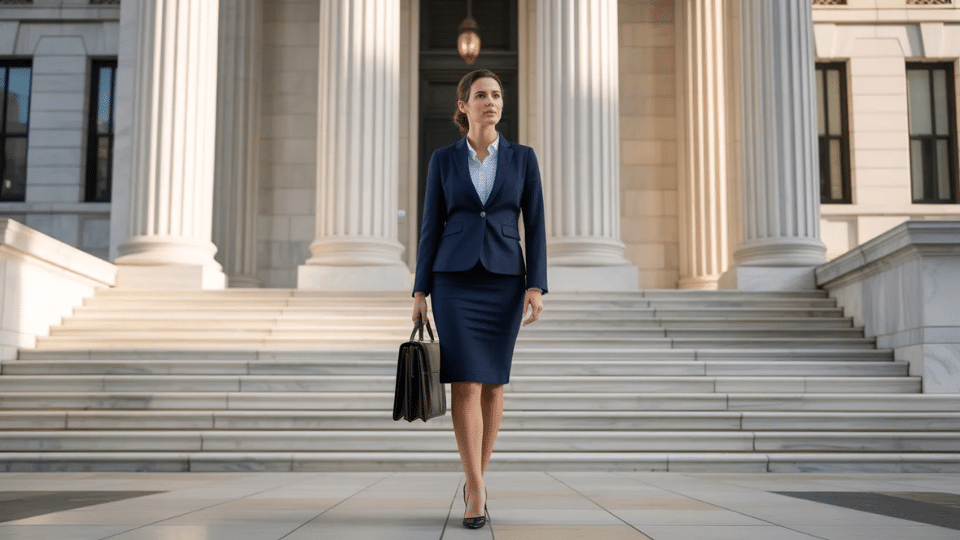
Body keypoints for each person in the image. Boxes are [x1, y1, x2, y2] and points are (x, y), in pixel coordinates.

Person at [411, 69, 547, 530]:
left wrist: (536, 284)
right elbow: (430, 226)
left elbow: (537, 226)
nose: (491, 102)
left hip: (505, 280)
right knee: (464, 383)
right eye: (481, 96)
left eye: (497, 95)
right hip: (454, 281)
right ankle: (476, 487)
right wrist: (420, 289)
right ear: (463, 106)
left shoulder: (523, 159)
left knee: (494, 385)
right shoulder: (443, 161)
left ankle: (477, 480)